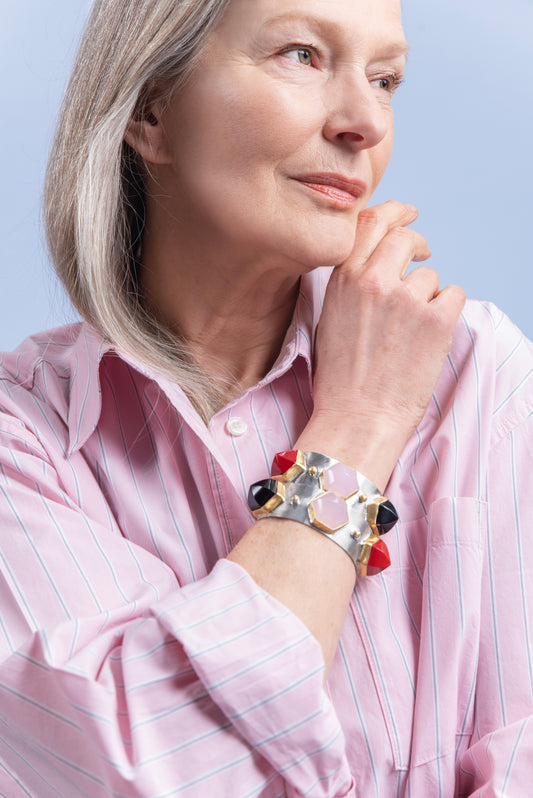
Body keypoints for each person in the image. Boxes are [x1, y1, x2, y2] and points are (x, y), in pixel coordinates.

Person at [0, 0, 532, 795]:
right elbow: (154, 772)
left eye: (385, 78)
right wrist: (359, 426)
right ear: (151, 104)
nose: (363, 122)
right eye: (301, 55)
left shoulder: (478, 374)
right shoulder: (24, 440)